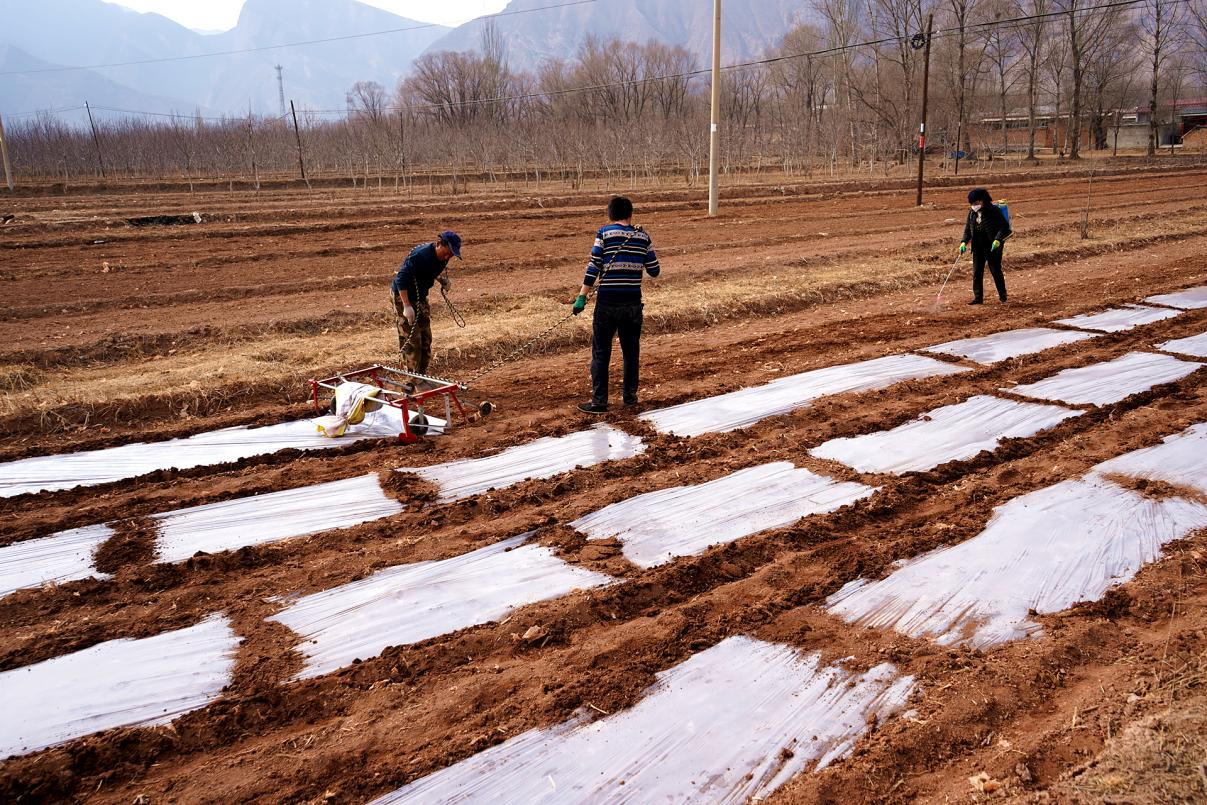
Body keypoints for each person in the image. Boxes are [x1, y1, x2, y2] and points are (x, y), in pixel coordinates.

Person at [571, 196, 661, 414]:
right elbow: (655, 270)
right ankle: (630, 398)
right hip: (632, 305)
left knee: (601, 352)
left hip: (607, 304)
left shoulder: (604, 234)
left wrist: (582, 297)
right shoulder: (642, 236)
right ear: (630, 214)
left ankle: (599, 402)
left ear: (610, 214)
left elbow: (594, 266)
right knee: (631, 353)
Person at [390, 230, 461, 375]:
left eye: (451, 255)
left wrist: (441, 279)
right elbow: (400, 279)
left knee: (426, 338)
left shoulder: (444, 257)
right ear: (438, 245)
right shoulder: (420, 256)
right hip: (403, 296)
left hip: (420, 296)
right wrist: (407, 306)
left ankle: (422, 376)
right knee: (413, 338)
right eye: (446, 253)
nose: (447, 257)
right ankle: (412, 379)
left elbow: (431, 269)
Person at [959, 188, 1011, 305]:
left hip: (992, 246)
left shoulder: (994, 211)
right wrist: (963, 242)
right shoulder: (972, 213)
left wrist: (997, 240)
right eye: (972, 204)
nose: (974, 206)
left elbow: (1004, 228)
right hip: (977, 246)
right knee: (977, 272)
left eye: (976, 203)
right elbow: (968, 229)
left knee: (995, 270)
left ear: (983, 201)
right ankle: (978, 298)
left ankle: (1002, 295)